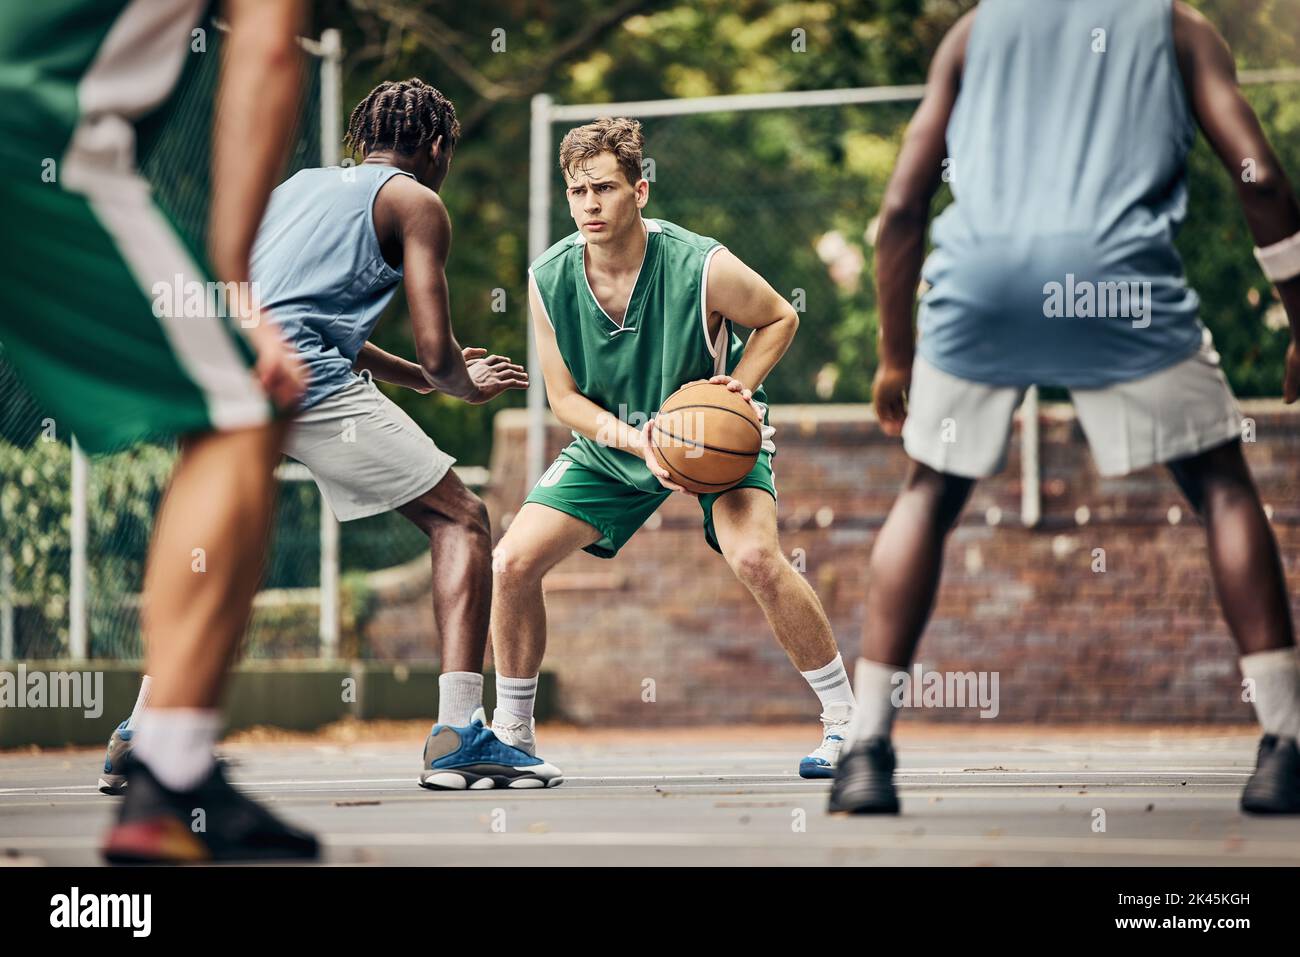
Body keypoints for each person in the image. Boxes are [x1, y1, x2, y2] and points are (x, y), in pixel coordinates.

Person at [830, 0, 1300, 815]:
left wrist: (895, 354)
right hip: (1113, 283)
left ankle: (866, 748)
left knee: (930, 490)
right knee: (1220, 481)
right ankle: (1286, 742)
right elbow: (1258, 173)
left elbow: (903, 205)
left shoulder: (977, 31)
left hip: (982, 284)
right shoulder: (1177, 28)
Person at [99, 78, 563, 793]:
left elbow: (297, 309)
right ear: (435, 146)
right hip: (303, 379)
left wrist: (416, 377)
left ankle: (145, 729)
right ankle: (460, 732)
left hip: (224, 366)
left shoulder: (299, 187)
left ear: (364, 139)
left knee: (220, 548)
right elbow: (440, 352)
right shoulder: (417, 202)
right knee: (462, 518)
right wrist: (458, 381)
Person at [0, 0, 321, 860]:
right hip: (36, 135)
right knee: (243, 407)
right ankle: (170, 777)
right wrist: (231, 282)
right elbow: (266, 47)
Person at [490, 118, 855, 776]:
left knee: (757, 559)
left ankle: (848, 725)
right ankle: (513, 735)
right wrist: (640, 439)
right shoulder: (548, 279)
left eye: (604, 187)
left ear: (641, 190)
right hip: (615, 441)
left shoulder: (700, 264)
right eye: (576, 192)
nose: (589, 204)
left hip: (712, 437)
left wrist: (732, 395)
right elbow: (565, 399)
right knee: (511, 562)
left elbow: (781, 316)